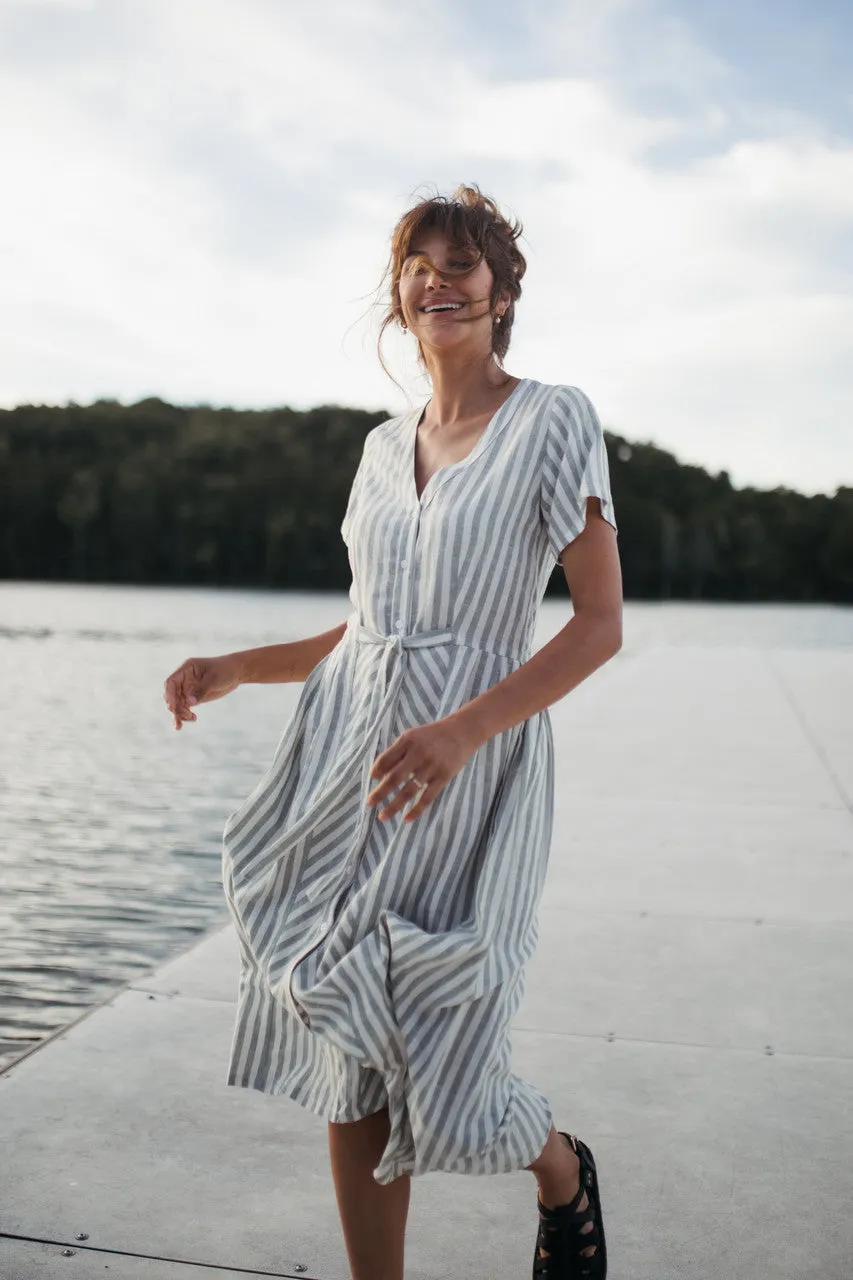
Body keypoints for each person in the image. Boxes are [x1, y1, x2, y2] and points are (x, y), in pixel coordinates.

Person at [163, 184, 622, 1280]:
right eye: (419, 265)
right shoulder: (378, 449)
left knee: (451, 1050)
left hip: (467, 774)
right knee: (347, 1035)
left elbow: (597, 627)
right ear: (399, 294)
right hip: (352, 768)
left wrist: (463, 731)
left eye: (462, 265)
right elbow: (370, 628)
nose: (439, 281)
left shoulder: (552, 417)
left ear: (501, 292)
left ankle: (560, 1171)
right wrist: (239, 666)